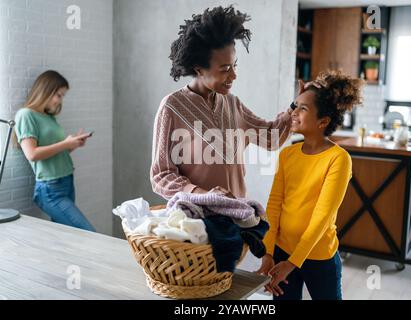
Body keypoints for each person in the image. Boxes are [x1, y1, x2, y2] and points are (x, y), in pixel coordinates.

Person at [151, 5, 293, 200]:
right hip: (196, 220)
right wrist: (204, 195)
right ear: (199, 68)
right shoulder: (172, 107)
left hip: (236, 217)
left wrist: (298, 106)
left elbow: (271, 137)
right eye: (225, 68)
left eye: (234, 65)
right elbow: (161, 175)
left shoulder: (233, 104)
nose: (234, 75)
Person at [256, 70, 364, 300]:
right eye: (296, 106)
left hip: (318, 257)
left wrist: (293, 262)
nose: (293, 112)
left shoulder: (338, 159)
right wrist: (267, 252)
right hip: (282, 252)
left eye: (302, 109)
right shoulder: (287, 154)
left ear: (323, 121)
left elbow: (322, 218)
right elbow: (274, 206)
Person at [14, 70, 95, 232]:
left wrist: (72, 145)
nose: (60, 100)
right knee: (88, 233)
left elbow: (53, 153)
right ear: (45, 91)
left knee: (65, 237)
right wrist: (65, 144)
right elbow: (32, 154)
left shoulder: (48, 117)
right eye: (59, 95)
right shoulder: (26, 115)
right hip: (51, 189)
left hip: (66, 182)